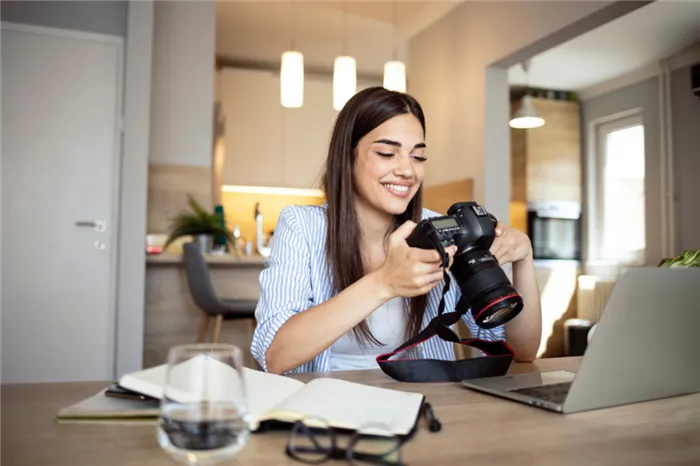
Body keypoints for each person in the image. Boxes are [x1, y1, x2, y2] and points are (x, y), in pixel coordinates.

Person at [251, 87, 542, 375]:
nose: (407, 170)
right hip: (328, 407)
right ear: (347, 156)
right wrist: (384, 283)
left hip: (424, 404)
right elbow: (275, 355)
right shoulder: (303, 226)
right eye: (387, 153)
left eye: (418, 157)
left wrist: (524, 257)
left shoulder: (441, 230)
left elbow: (523, 351)